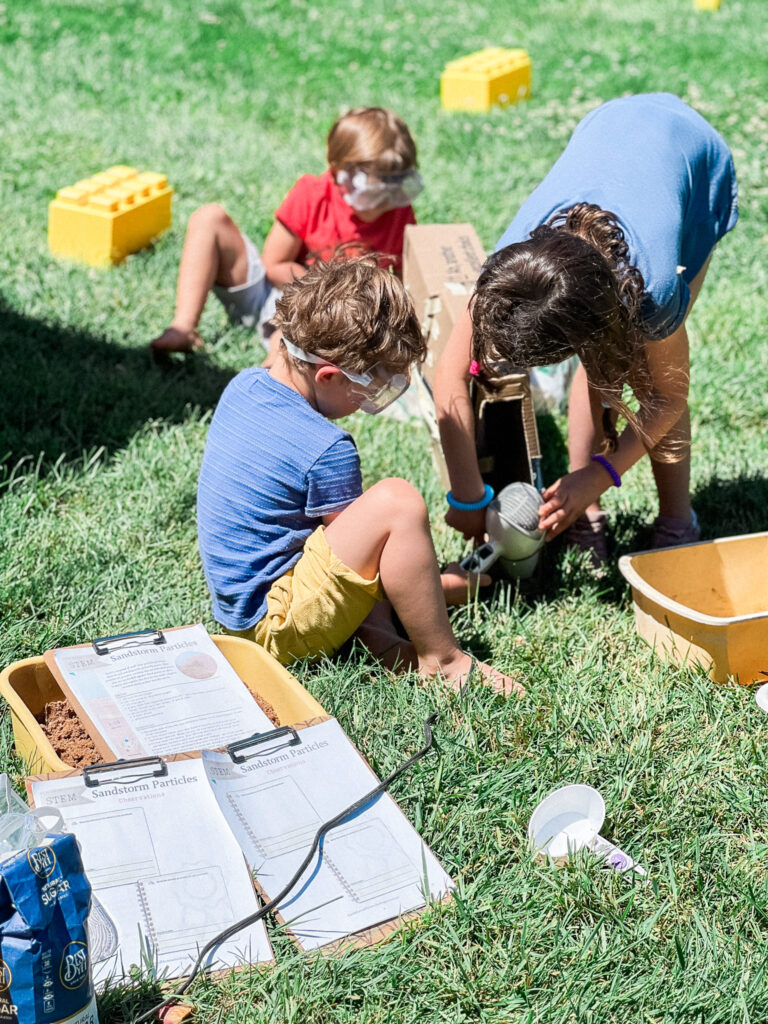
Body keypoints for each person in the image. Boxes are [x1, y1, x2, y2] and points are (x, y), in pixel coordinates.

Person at [434, 93, 738, 564]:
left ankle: (678, 520)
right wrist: (468, 496)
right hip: (612, 128)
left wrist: (600, 474)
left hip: (685, 150)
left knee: (642, 372)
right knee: (602, 368)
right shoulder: (513, 271)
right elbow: (449, 373)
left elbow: (668, 398)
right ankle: (586, 515)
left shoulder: (654, 291)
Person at [197, 257, 523, 696]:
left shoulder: (242, 386)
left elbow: (341, 550)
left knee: (375, 524)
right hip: (276, 630)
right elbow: (362, 554)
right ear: (329, 376)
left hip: (239, 611)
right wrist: (439, 584)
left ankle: (381, 637)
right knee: (396, 504)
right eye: (373, 390)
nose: (373, 400)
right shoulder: (326, 449)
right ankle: (443, 662)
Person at [150, 107, 422, 364]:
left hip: (338, 321)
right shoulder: (312, 194)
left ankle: (275, 376)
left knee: (291, 336)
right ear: (341, 173)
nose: (388, 202)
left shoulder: (399, 212)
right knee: (208, 218)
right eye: (376, 193)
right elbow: (274, 266)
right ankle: (184, 327)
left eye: (397, 191)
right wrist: (327, 290)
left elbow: (403, 283)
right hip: (281, 293)